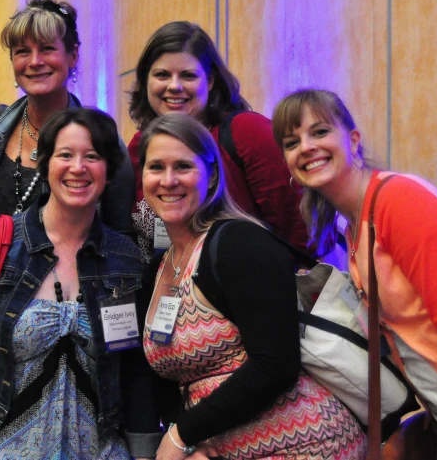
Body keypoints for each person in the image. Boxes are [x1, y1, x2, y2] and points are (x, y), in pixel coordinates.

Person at [273, 88, 437, 460]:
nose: (306, 146)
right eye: (292, 141)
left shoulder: (399, 202)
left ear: (353, 141)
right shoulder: (352, 224)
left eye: (319, 132)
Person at [0, 108, 162, 460]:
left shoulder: (125, 259)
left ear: (109, 170)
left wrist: (144, 453)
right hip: (2, 449)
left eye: (92, 156)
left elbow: (135, 369)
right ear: (46, 162)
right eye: (65, 154)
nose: (77, 167)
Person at [138, 114, 366, 460]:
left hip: (306, 445)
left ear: (212, 175)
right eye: (156, 167)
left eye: (183, 166)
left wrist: (182, 436)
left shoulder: (239, 243)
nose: (168, 180)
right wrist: (193, 442)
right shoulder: (158, 267)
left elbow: (276, 365)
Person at [127, 21, 307, 261]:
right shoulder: (138, 146)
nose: (174, 86)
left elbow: (298, 229)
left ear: (210, 81)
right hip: (167, 289)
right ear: (145, 81)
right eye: (162, 75)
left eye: (188, 75)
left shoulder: (247, 133)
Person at [0, 0, 134, 234]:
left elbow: (121, 235)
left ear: (73, 55)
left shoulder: (102, 139)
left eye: (47, 48)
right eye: (23, 52)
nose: (35, 62)